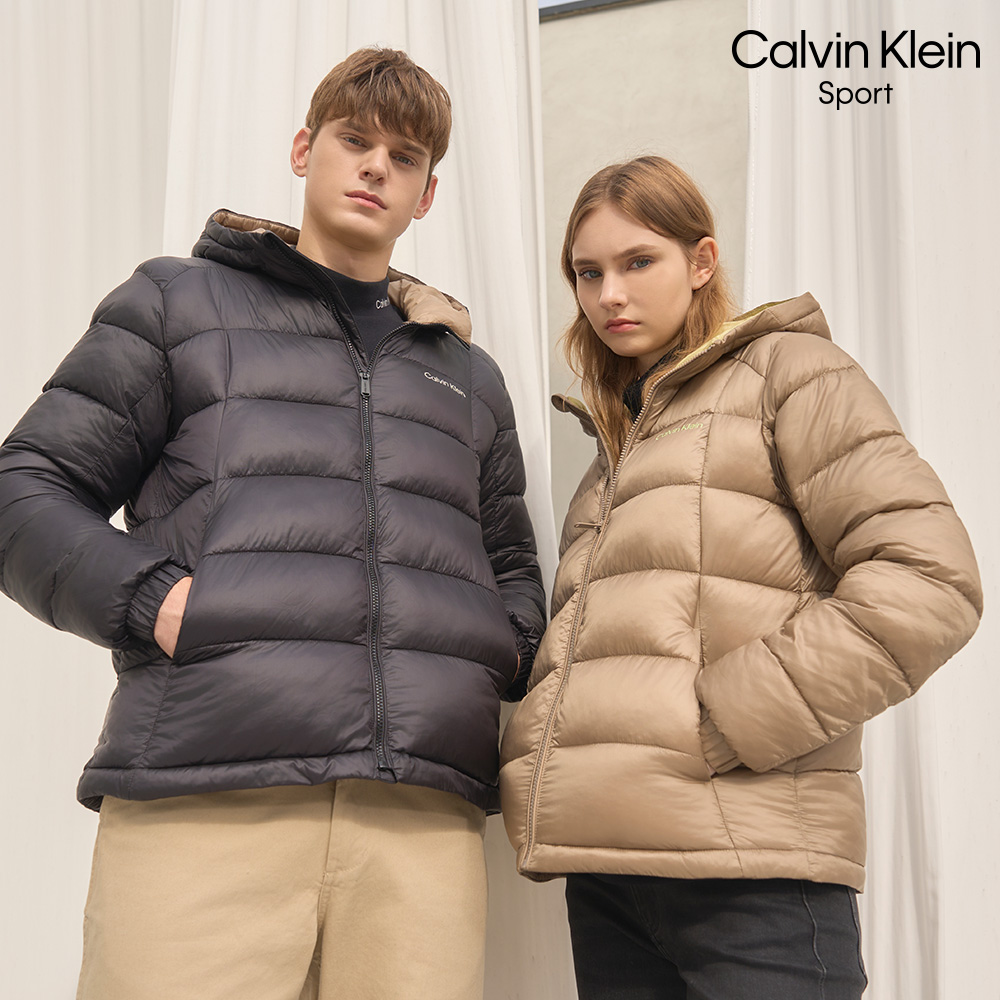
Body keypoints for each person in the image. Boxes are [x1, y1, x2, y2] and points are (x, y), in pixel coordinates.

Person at [0, 47, 544, 1000]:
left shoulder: (468, 376)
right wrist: (158, 601)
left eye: (405, 157)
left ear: (426, 195)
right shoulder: (177, 304)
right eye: (354, 139)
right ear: (304, 150)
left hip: (419, 825)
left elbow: (513, 571)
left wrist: (488, 657)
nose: (376, 166)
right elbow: (26, 489)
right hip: (206, 793)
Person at [499, 155, 981, 999]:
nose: (610, 294)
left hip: (756, 874)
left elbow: (931, 580)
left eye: (638, 261)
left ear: (701, 261)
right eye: (588, 272)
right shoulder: (617, 445)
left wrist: (727, 720)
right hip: (609, 875)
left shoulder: (791, 373)